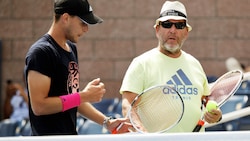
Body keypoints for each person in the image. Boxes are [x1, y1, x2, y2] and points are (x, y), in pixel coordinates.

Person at [24, 0, 131, 135]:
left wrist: (107, 122)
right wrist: (83, 96)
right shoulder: (41, 52)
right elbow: (39, 106)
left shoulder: (71, 49)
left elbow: (73, 99)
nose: (86, 29)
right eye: (83, 23)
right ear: (66, 18)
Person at [120, 1, 222, 133]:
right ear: (157, 29)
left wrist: (215, 115)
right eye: (167, 24)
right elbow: (127, 105)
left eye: (179, 25)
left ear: (186, 32)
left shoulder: (195, 64)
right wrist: (142, 132)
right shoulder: (141, 63)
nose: (173, 30)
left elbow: (205, 100)